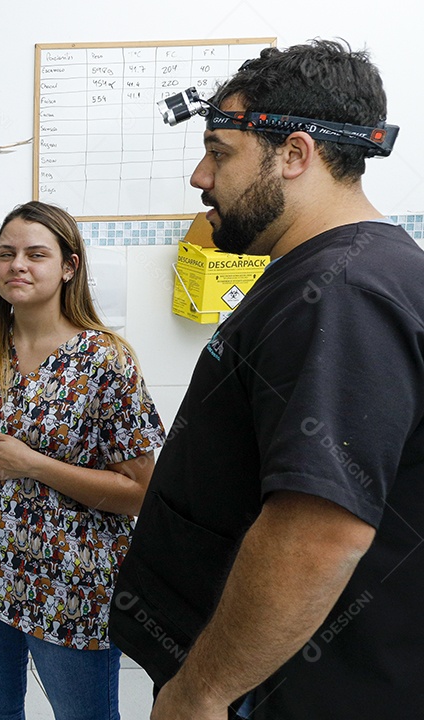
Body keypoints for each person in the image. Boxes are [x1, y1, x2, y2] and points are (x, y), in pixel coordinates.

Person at [109, 40, 424, 720]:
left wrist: (204, 692)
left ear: (294, 154)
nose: (200, 176)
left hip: (294, 689)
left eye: (219, 153)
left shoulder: (345, 293)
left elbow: (320, 530)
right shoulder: (331, 273)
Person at [0, 201, 164, 720]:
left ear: (68, 267)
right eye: (6, 253)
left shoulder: (104, 361)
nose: (17, 266)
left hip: (71, 584)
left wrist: (32, 464)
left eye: (36, 254)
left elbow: (142, 492)